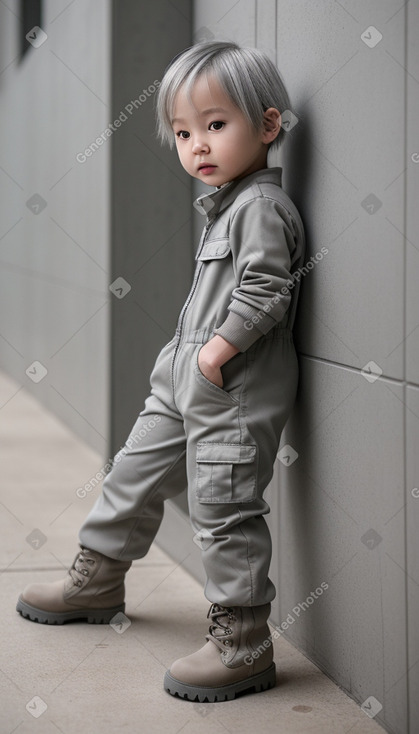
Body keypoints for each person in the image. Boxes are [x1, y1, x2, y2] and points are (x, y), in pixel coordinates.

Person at [16, 41, 306, 703]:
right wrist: (185, 364)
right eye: (181, 133)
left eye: (214, 125)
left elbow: (265, 292)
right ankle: (97, 578)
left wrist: (211, 356)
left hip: (229, 391)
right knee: (132, 473)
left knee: (224, 509)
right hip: (185, 382)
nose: (196, 145)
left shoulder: (260, 208)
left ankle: (242, 644)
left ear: (266, 126)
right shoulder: (227, 205)